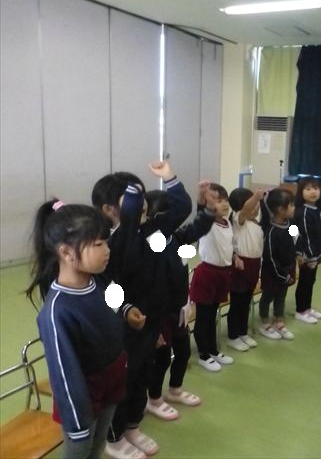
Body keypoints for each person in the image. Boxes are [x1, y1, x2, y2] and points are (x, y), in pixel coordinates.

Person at [92, 161, 191, 459]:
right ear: (109, 209)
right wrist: (125, 309)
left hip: (151, 322)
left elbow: (182, 208)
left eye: (142, 195)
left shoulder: (150, 231)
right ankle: (114, 436)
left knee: (141, 377)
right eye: (133, 197)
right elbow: (106, 288)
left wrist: (169, 177)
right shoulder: (110, 243)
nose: (143, 202)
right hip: (125, 327)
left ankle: (132, 425)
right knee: (124, 381)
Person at [26, 201, 127, 459]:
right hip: (82, 399)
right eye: (98, 244)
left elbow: (111, 319)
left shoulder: (97, 283)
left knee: (98, 445)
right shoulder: (57, 312)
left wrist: (127, 311)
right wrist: (77, 425)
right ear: (67, 253)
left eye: (106, 242)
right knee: (81, 449)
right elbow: (64, 375)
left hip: (110, 383)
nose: (107, 250)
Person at [144, 183, 218, 420]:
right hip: (158, 314)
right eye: (169, 215)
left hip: (178, 309)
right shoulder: (146, 247)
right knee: (161, 357)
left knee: (183, 352)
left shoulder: (175, 238)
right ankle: (154, 398)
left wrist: (206, 207)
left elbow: (199, 227)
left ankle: (175, 389)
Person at [189, 183, 235, 372]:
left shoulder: (228, 222)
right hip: (207, 273)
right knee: (203, 316)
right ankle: (203, 354)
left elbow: (228, 246)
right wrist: (202, 194)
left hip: (223, 273)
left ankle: (213, 350)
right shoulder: (206, 224)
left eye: (225, 200)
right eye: (218, 200)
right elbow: (200, 208)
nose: (224, 204)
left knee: (213, 314)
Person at [226, 187, 265, 352]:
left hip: (254, 265)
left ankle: (243, 332)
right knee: (237, 302)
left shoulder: (256, 222)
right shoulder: (238, 219)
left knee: (246, 301)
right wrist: (256, 197)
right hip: (240, 266)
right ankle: (233, 336)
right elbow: (246, 209)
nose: (256, 207)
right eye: (252, 203)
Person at [258, 188, 296, 340]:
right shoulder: (272, 232)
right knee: (267, 297)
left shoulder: (290, 224)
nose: (294, 208)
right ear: (280, 209)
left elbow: (295, 239)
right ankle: (264, 322)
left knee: (281, 296)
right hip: (273, 272)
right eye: (291, 205)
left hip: (287, 269)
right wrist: (283, 275)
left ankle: (279, 321)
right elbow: (271, 258)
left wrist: (299, 254)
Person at [292, 177, 321, 324]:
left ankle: (307, 308)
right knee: (304, 282)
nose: (313, 192)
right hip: (306, 254)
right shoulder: (303, 212)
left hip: (314, 253)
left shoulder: (317, 209)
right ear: (301, 192)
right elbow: (297, 233)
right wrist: (305, 255)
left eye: (316, 188)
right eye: (308, 189)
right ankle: (300, 310)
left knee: (310, 281)